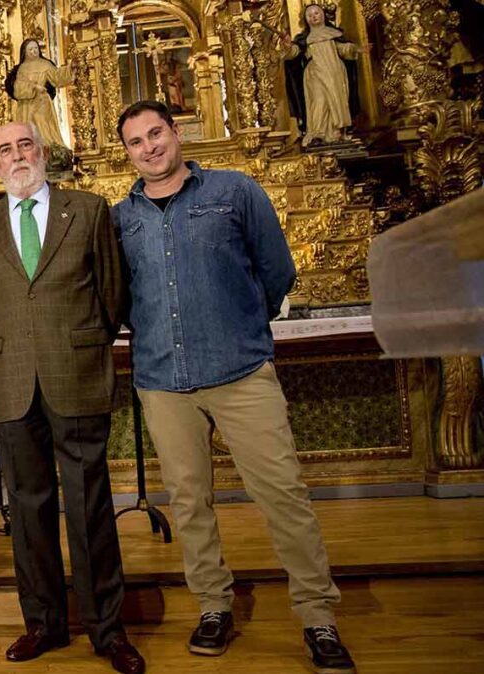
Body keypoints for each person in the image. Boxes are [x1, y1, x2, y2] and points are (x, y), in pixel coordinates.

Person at [112, 100, 356, 673]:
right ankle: (214, 604)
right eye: (136, 142)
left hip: (241, 372)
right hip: (164, 380)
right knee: (190, 501)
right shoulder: (122, 219)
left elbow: (276, 270)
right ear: (127, 151)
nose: (149, 147)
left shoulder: (234, 191)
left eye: (156, 134)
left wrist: (242, 327)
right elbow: (121, 297)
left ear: (176, 133)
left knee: (283, 495)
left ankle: (318, 616)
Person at [0, 121, 144, 674]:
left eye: (25, 145)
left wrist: (77, 342)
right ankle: (43, 622)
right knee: (27, 507)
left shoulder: (88, 210)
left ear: (42, 152)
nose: (17, 156)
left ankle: (107, 628)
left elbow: (113, 294)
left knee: (89, 505)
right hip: (15, 383)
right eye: (5, 150)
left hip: (77, 374)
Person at [284, 3, 365, 147]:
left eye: (316, 13)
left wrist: (355, 49)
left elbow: (343, 49)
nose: (313, 17)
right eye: (310, 15)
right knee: (319, 102)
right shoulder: (304, 38)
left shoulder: (334, 34)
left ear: (322, 15)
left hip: (334, 72)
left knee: (336, 101)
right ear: (306, 19)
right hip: (315, 74)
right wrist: (288, 47)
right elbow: (294, 53)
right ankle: (317, 133)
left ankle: (336, 133)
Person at [5, 39, 73, 150]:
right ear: (25, 52)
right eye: (30, 49)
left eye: (36, 48)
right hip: (26, 106)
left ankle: (48, 149)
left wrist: (70, 69)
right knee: (29, 130)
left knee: (45, 127)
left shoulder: (45, 64)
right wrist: (34, 87)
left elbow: (57, 77)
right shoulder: (22, 68)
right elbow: (18, 88)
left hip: (42, 102)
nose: (34, 51)